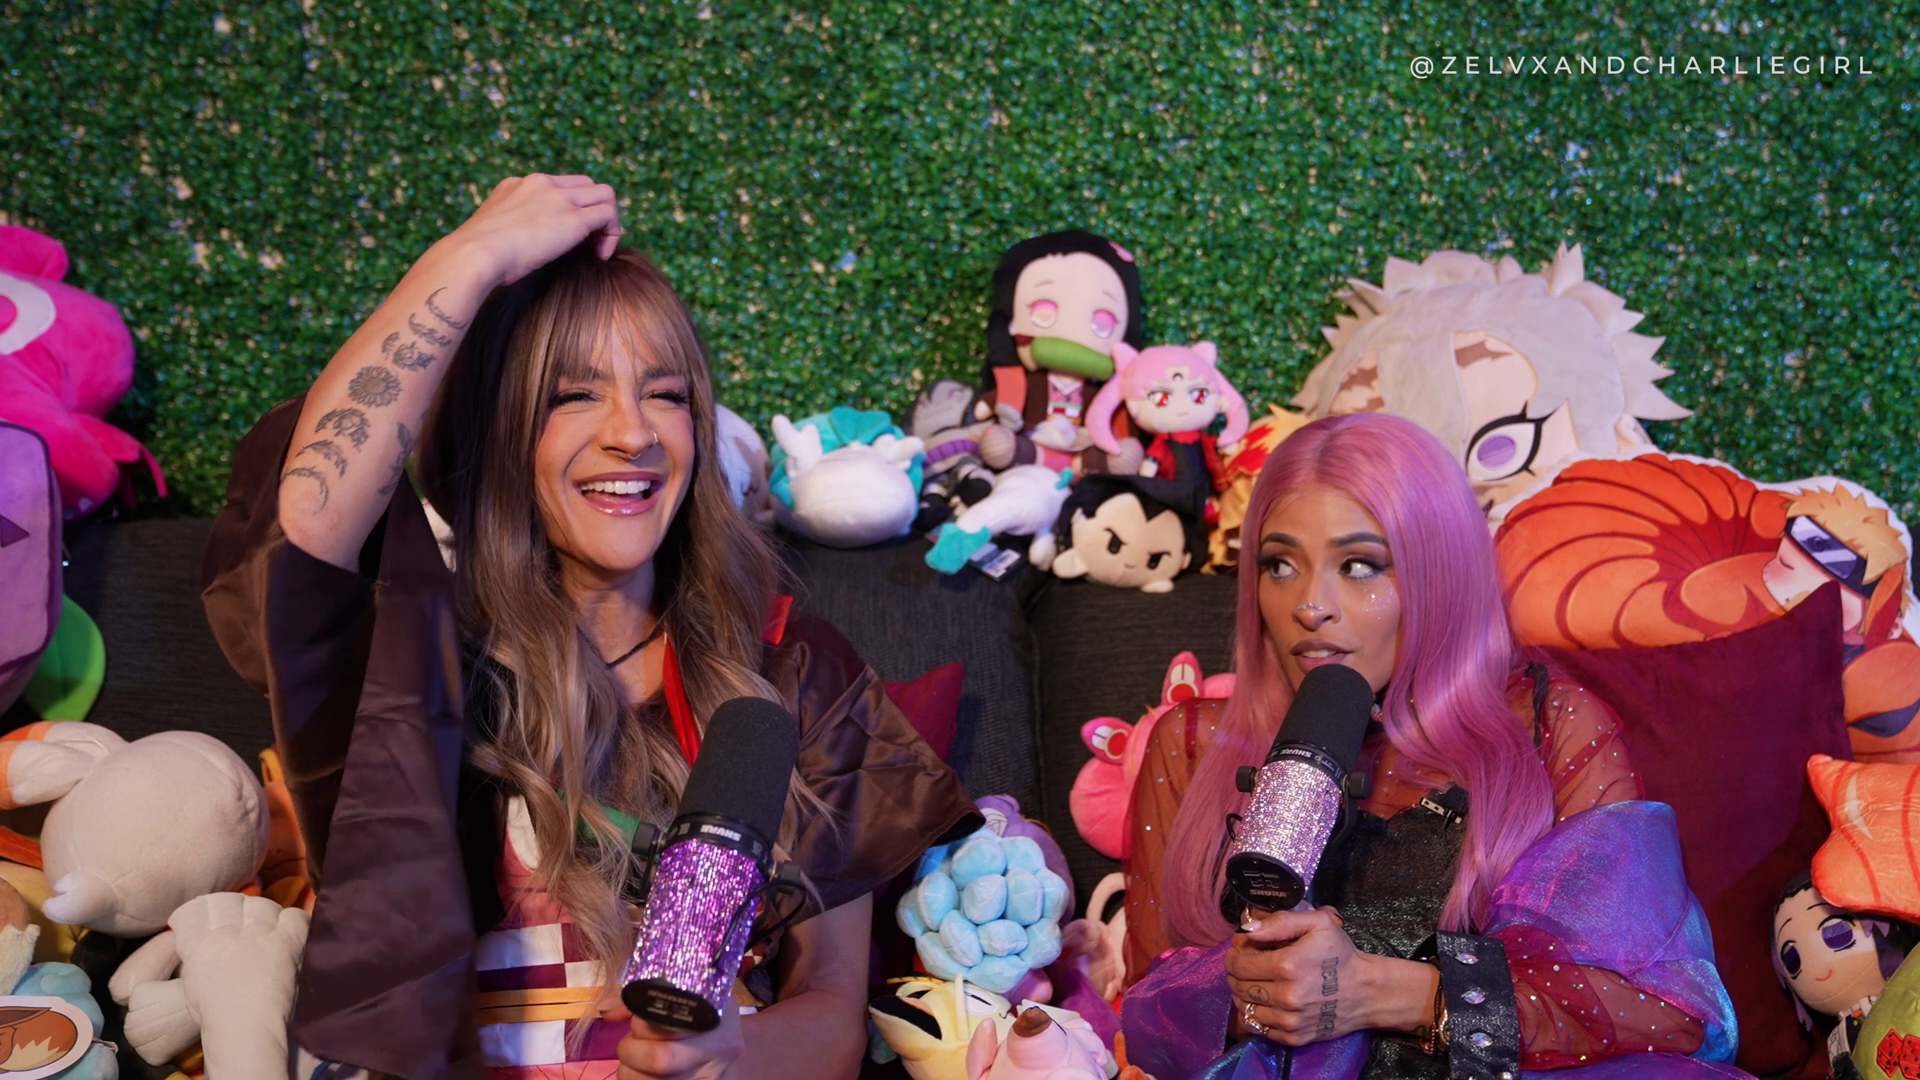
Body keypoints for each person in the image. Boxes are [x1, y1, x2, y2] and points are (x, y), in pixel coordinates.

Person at [201, 174, 979, 1079]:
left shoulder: (790, 663)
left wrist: (724, 1062)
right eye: (573, 395)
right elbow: (304, 531)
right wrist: (474, 255)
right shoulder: (414, 666)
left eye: (666, 393)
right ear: (498, 432)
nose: (633, 434)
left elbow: (835, 1012)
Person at [1117, 413, 1746, 1079]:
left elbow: (1669, 1015)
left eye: (1360, 565)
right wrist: (1255, 996)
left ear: (1439, 575)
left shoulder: (1548, 728)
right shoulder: (1195, 742)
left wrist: (1391, 994)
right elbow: (1141, 1014)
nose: (1310, 605)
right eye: (1280, 564)